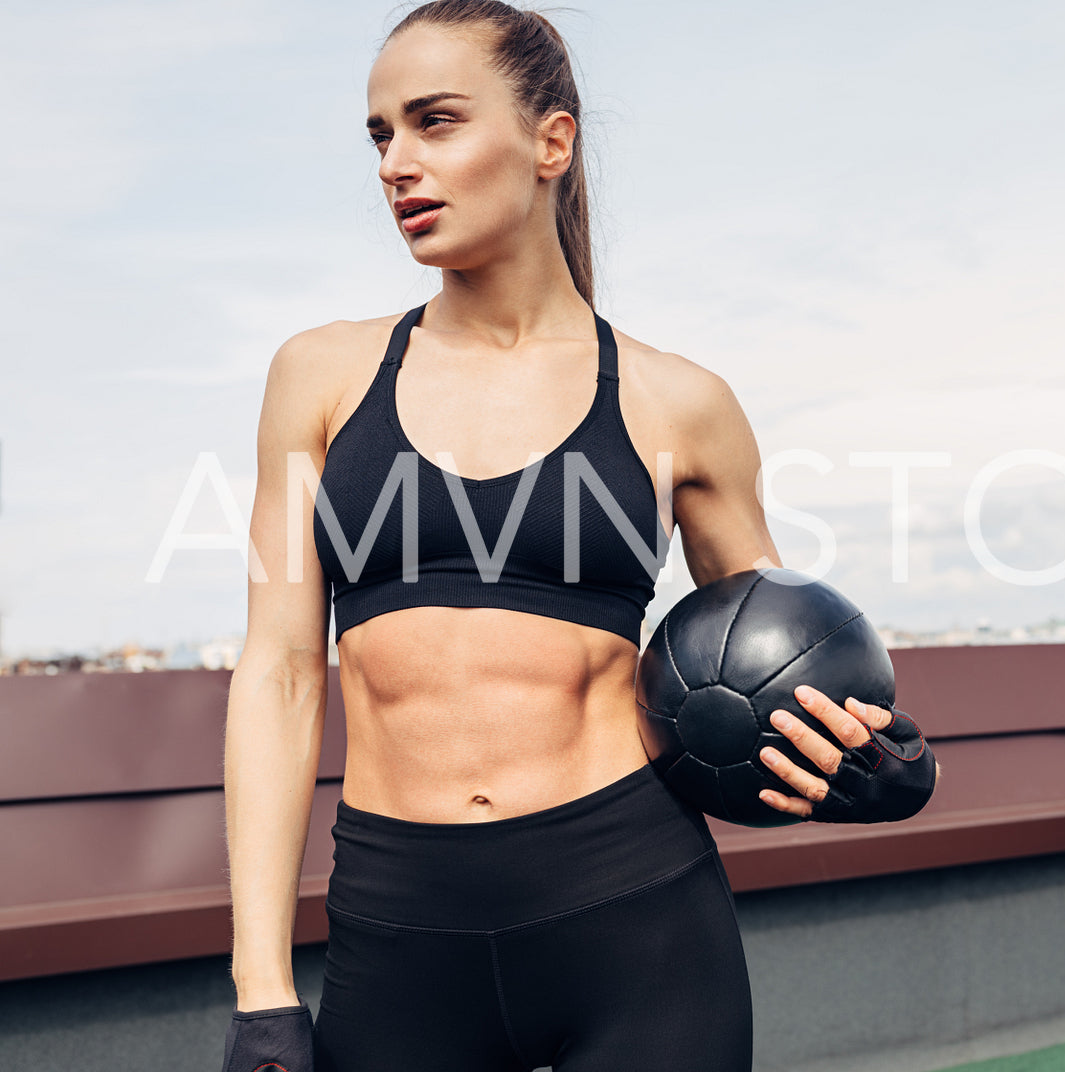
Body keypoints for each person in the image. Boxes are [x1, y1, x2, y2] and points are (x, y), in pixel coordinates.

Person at [221, 3, 934, 1070]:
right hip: (398, 931)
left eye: (435, 122)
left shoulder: (676, 401)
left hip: (635, 914)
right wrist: (261, 989)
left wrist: (870, 757)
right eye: (381, 134)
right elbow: (279, 674)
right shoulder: (320, 378)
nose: (396, 165)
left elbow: (771, 652)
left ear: (551, 141)